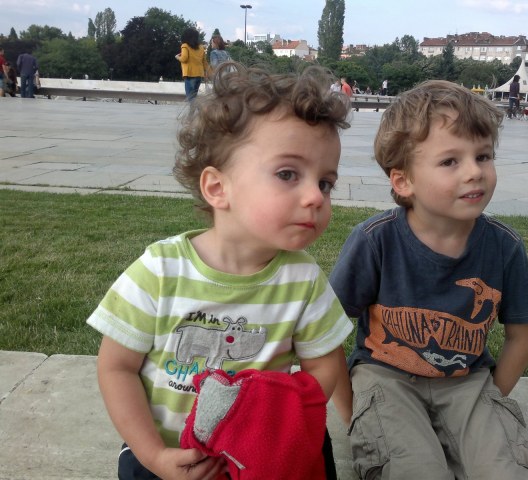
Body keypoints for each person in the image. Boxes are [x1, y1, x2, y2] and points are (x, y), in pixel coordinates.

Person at [88, 63, 354, 480]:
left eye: (325, 182)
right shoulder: (159, 271)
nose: (315, 197)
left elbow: (323, 367)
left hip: (260, 452)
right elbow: (116, 367)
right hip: (168, 451)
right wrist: (153, 454)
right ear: (217, 188)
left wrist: (279, 419)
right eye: (288, 174)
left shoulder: (302, 280)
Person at [329, 80, 528, 479]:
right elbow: (324, 331)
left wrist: (491, 400)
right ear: (403, 181)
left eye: (483, 156)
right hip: (386, 376)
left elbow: (522, 334)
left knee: (506, 469)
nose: (474, 172)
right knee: (412, 469)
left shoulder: (504, 246)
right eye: (450, 161)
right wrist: (352, 413)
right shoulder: (375, 241)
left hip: (467, 380)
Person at [176, 27, 208, 101]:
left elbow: (184, 58)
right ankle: (195, 108)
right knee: (194, 96)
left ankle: (198, 107)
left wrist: (178, 57)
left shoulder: (185, 46)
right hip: (199, 75)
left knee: (190, 97)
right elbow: (204, 62)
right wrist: (207, 72)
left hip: (189, 74)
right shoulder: (201, 47)